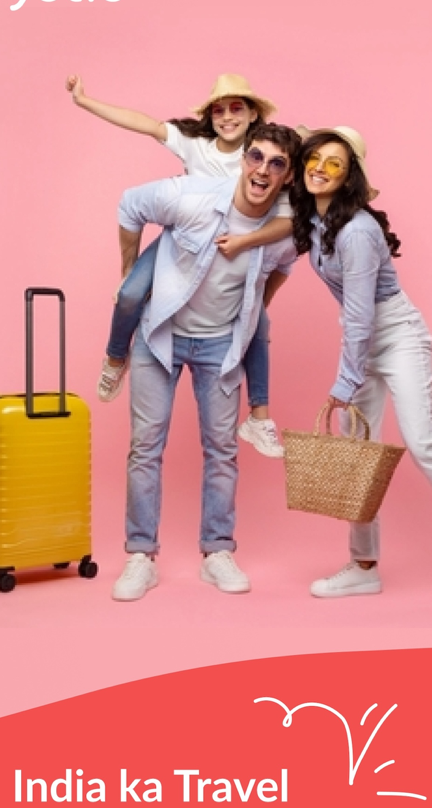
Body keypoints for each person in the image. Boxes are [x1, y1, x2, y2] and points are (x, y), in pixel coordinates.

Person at [111, 122, 300, 601]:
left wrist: (255, 310)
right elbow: (130, 204)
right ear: (244, 157)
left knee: (222, 450)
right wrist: (130, 269)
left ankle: (217, 552)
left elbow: (278, 270)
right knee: (145, 446)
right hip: (161, 336)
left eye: (276, 163)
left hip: (221, 347)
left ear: (288, 175)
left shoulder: (282, 231)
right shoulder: (193, 196)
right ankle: (140, 556)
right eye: (256, 157)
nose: (262, 170)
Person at [66, 73, 293, 457]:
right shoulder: (197, 144)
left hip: (230, 252)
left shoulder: (268, 158)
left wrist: (244, 242)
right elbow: (144, 123)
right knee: (131, 292)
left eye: (237, 107)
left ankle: (259, 416)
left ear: (254, 114)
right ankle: (115, 357)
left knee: (258, 323)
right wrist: (86, 101)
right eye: (218, 109)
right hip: (185, 242)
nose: (227, 116)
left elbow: (291, 219)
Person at [291, 125, 432, 597]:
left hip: (394, 335)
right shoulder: (314, 218)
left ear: (350, 175)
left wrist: (344, 383)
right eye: (313, 160)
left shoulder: (357, 232)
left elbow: (361, 317)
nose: (320, 169)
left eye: (333, 164)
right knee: (357, 454)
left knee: (424, 445)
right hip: (359, 341)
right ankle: (363, 567)